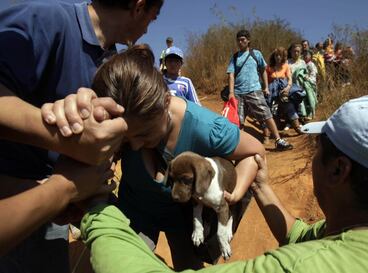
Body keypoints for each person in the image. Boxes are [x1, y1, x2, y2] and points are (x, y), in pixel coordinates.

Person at [79, 94, 368, 273]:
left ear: (339, 170)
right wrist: (262, 187)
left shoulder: (302, 266)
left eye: (317, 151)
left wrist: (97, 207)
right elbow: (301, 234)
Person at [42, 45, 265, 270]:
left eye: (144, 134)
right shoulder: (117, 120)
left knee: (188, 266)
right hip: (135, 212)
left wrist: (233, 194)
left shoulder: (205, 128)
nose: (136, 145)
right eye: (126, 140)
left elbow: (255, 151)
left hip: (183, 219)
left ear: (166, 102)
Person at [0, 0, 163, 272]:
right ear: (138, 7)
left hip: (53, 204)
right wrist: (62, 139)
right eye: (152, 19)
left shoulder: (112, 61)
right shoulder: (47, 20)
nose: (147, 29)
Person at [227, 29, 292, 151]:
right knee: (239, 121)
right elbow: (231, 75)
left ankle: (278, 140)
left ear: (248, 40)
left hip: (254, 90)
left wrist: (266, 87)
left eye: (243, 40)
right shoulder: (235, 57)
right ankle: (239, 147)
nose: (240, 42)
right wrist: (231, 92)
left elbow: (263, 70)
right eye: (238, 40)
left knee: (266, 115)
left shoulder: (256, 54)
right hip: (238, 93)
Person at [265, 47, 302, 135]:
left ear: (283, 57)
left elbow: (289, 79)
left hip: (283, 89)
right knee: (268, 109)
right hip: (271, 90)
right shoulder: (269, 67)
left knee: (289, 106)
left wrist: (288, 87)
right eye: (276, 55)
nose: (278, 57)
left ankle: (297, 127)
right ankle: (267, 133)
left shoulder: (286, 66)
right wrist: (266, 89)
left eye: (280, 55)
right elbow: (265, 80)